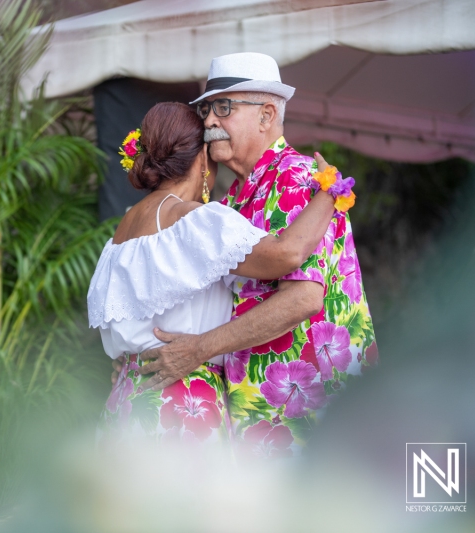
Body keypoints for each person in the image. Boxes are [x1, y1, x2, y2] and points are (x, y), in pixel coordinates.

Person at [137, 53, 376, 456]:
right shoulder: (233, 199)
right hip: (261, 416)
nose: (209, 121)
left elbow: (303, 297)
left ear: (267, 116)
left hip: (314, 417)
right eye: (206, 109)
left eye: (224, 107)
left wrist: (197, 349)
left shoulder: (300, 178)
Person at [89, 100, 347, 449]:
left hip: (127, 400)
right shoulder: (192, 218)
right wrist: (331, 191)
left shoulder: (122, 231)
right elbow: (286, 254)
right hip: (182, 407)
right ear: (200, 162)